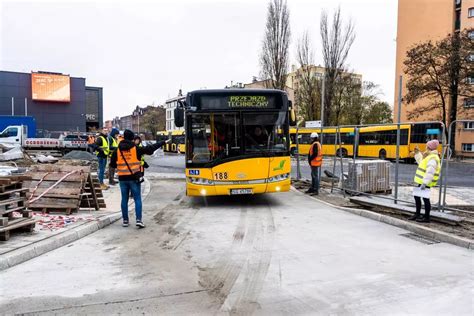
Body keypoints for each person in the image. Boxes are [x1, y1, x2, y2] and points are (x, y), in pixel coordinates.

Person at [110, 129, 167, 228]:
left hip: (122, 179)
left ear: (123, 137)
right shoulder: (136, 149)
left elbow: (113, 164)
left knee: (124, 199)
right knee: (137, 199)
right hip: (134, 178)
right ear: (132, 138)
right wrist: (162, 142)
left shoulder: (117, 150)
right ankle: (138, 220)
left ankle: (125, 221)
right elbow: (150, 149)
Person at [409, 139, 441, 223]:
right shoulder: (429, 156)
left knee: (425, 199)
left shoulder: (433, 158)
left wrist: (424, 183)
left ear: (429, 147)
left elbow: (430, 172)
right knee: (417, 196)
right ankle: (418, 214)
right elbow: (421, 162)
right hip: (422, 181)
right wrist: (417, 153)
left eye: (427, 146)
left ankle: (426, 217)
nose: (426, 147)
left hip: (425, 182)